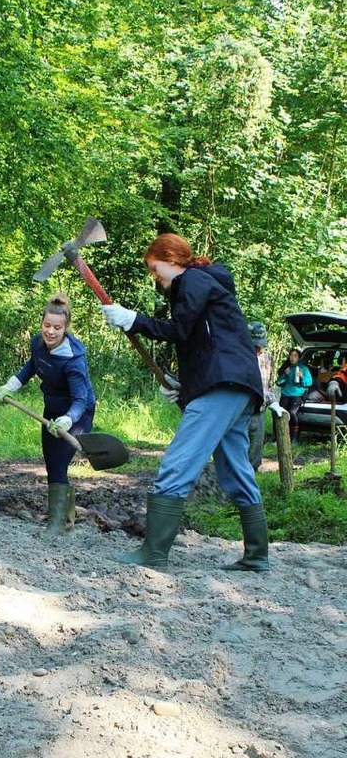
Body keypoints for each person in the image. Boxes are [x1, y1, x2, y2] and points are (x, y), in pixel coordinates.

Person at [100, 232, 268, 572]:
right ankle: (257, 556)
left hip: (223, 384)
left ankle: (154, 552)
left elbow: (178, 330)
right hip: (237, 386)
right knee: (236, 469)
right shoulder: (206, 285)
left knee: (177, 465)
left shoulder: (191, 280)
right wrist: (185, 386)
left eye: (155, 267)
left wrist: (133, 320)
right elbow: (202, 344)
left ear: (172, 260)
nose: (155, 276)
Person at [0, 293, 95, 538]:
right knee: (52, 464)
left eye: (57, 328)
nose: (50, 331)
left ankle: (57, 526)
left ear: (66, 328)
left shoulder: (73, 361)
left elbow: (81, 399)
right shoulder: (39, 343)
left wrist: (68, 419)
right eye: (47, 325)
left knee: (59, 464)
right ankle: (65, 521)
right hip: (52, 410)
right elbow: (32, 366)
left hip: (77, 414)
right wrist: (11, 385)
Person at [246, 321, 284, 470]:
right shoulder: (238, 356)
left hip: (259, 411)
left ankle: (250, 482)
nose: (257, 348)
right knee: (238, 450)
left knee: (255, 453)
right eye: (254, 344)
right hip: (241, 410)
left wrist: (273, 401)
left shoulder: (267, 359)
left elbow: (267, 385)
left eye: (260, 344)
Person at [275, 348, 313, 444]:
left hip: (298, 394)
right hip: (286, 393)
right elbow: (279, 382)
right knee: (279, 413)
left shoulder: (303, 369)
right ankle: (277, 438)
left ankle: (294, 438)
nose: (292, 358)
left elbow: (309, 383)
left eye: (295, 356)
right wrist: (285, 375)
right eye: (291, 355)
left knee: (292, 412)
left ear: (299, 358)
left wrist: (302, 377)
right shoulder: (287, 368)